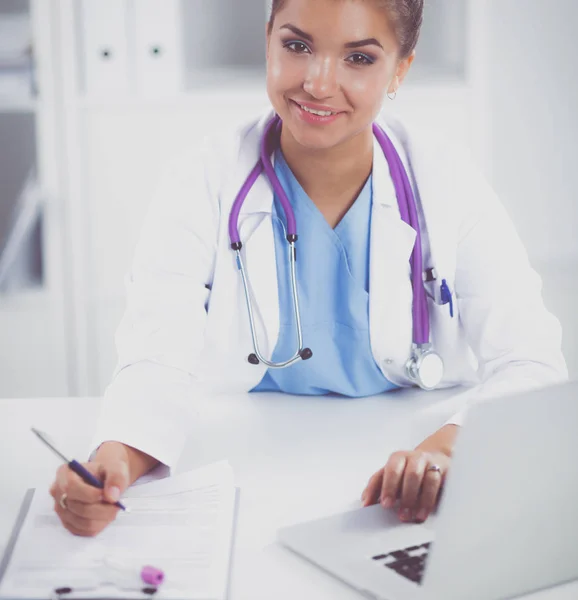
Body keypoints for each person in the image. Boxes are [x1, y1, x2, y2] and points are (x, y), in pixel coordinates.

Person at [49, 0, 567, 537]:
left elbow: (532, 363)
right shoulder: (200, 181)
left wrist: (446, 451)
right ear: (268, 38)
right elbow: (155, 355)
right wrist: (116, 460)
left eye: (359, 58)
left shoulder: (445, 183)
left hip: (399, 490)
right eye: (297, 46)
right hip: (252, 473)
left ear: (401, 69)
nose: (318, 84)